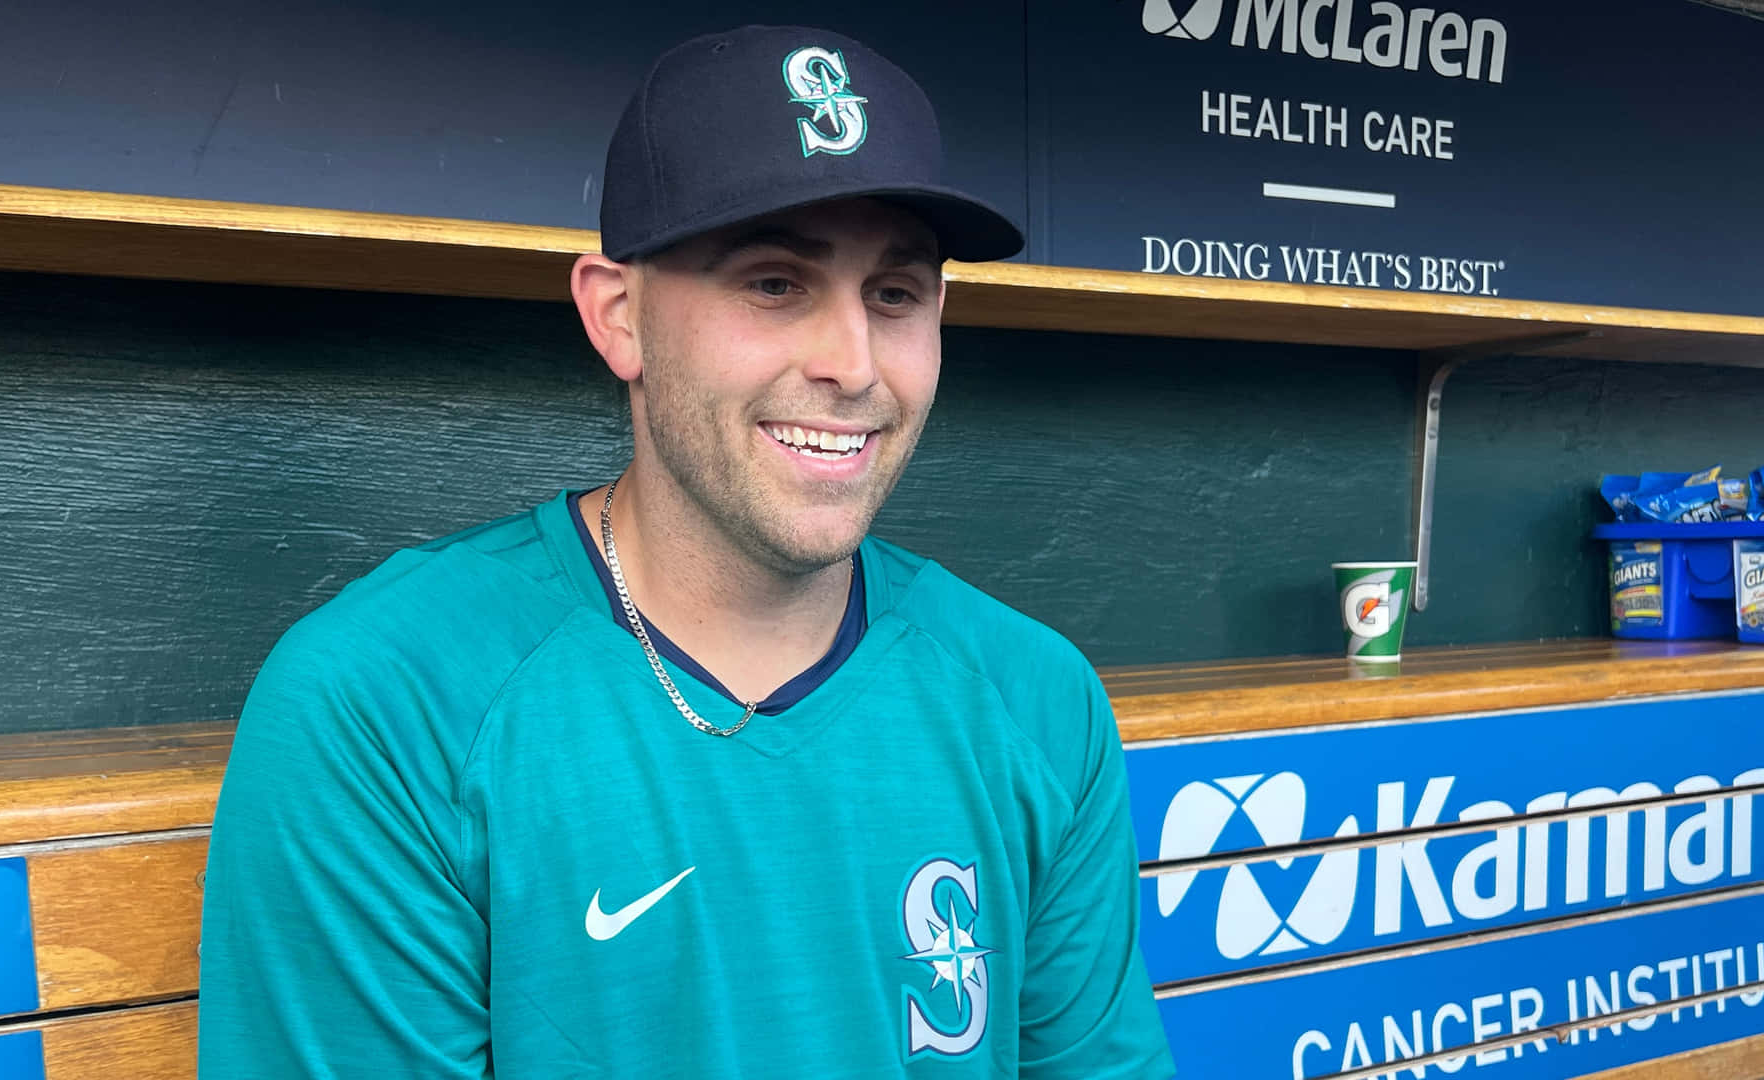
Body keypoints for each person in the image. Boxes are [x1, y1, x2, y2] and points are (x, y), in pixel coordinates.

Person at [198, 23, 1174, 1079]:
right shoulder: (383, 700)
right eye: (773, 284)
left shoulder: (1037, 697)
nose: (852, 365)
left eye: (894, 296)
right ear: (620, 317)